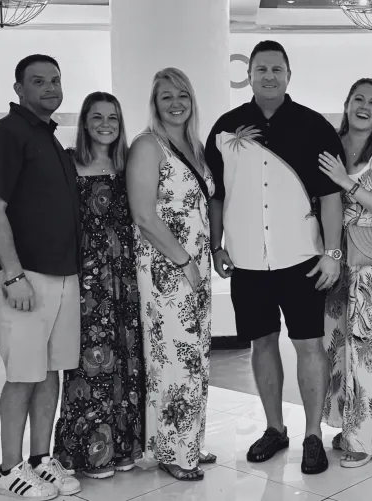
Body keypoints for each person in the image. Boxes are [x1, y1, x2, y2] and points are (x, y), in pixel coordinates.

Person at [205, 40, 343, 475]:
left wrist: (333, 253)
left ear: (288, 74)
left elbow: (331, 196)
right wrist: (216, 243)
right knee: (261, 342)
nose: (268, 76)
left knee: (308, 345)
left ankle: (313, 434)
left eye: (276, 69)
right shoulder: (226, 128)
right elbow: (217, 196)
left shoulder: (314, 126)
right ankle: (274, 429)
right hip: (246, 261)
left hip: (302, 257)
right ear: (249, 74)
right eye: (260, 69)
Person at [0, 54, 82, 499]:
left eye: (55, 80)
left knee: (50, 371)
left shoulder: (50, 138)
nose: (49, 88)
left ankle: (41, 460)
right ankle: (8, 469)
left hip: (64, 276)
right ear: (19, 88)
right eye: (38, 81)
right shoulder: (6, 134)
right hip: (25, 278)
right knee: (22, 375)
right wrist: (12, 274)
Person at [127, 68, 217, 481]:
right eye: (166, 97)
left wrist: (207, 256)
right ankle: (172, 451)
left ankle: (188, 441)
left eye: (182, 94)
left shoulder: (194, 145)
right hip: (168, 268)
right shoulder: (148, 146)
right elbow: (144, 216)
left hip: (194, 267)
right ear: (155, 103)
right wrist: (184, 262)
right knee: (172, 359)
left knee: (194, 356)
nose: (176, 103)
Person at [52, 91, 145, 479]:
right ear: (85, 121)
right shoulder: (69, 162)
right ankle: (89, 454)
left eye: (113, 117)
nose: (106, 124)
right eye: (97, 116)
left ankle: (123, 447)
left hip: (125, 273)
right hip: (87, 277)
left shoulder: (129, 165)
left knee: (125, 358)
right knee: (90, 362)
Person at [320, 78, 372, 468]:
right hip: (337, 259)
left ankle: (366, 437)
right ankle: (350, 424)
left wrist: (344, 183)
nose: (365, 106)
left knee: (367, 349)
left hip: (371, 264)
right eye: (359, 98)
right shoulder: (333, 144)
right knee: (340, 347)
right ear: (347, 101)